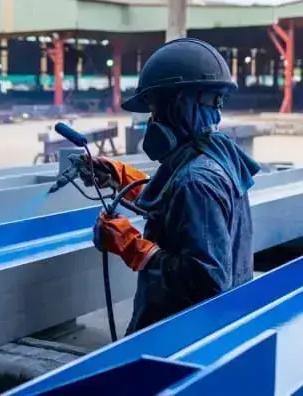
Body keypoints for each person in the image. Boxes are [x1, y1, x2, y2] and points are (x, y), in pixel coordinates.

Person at [83, 38, 261, 335]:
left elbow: (207, 284)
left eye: (154, 109)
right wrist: (122, 179)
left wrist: (135, 248)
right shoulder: (215, 152)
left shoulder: (197, 181)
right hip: (215, 329)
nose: (152, 120)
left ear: (178, 105)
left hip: (181, 338)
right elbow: (183, 213)